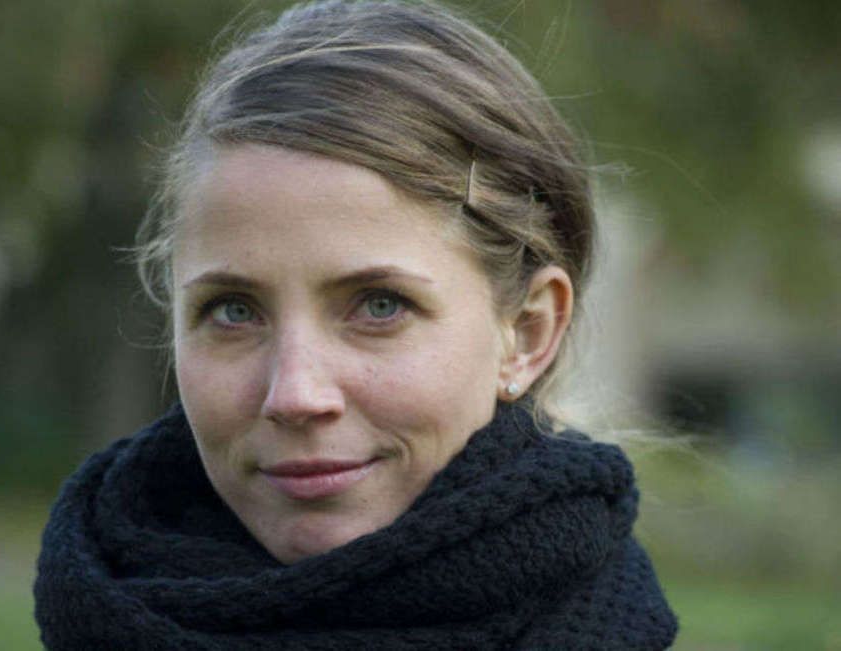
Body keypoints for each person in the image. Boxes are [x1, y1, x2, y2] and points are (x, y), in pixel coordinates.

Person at [34, 1, 677, 648]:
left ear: (529, 332)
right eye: (233, 310)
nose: (295, 395)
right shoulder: (101, 605)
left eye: (379, 306)